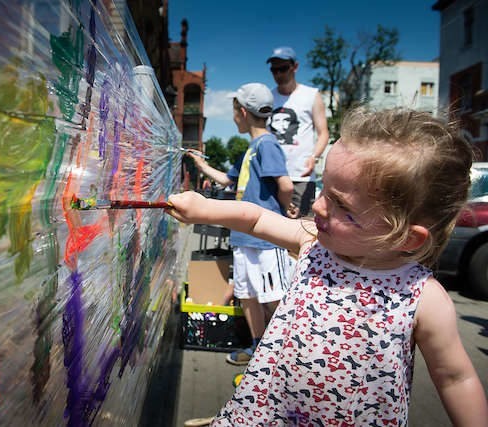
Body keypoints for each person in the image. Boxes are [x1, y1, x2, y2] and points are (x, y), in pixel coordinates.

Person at [171, 107, 488, 426]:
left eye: (342, 205)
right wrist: (204, 208)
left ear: (405, 237)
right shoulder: (314, 243)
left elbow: (456, 379)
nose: (318, 205)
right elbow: (256, 218)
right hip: (264, 414)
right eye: (324, 190)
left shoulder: (423, 298)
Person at [186, 82, 294, 366]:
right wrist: (200, 165)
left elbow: (285, 184)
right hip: (244, 237)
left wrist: (283, 210)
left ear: (243, 113)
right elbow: (228, 179)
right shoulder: (251, 149)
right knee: (248, 295)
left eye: (234, 113)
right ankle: (259, 347)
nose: (233, 118)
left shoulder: (267, 145)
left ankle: (287, 354)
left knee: (275, 298)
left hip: (266, 238)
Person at [266, 46, 329, 218]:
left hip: (300, 174)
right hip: (273, 174)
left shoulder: (311, 95)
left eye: (283, 68)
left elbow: (323, 133)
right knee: (272, 227)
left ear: (295, 67)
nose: (278, 74)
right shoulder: (268, 97)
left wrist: (314, 157)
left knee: (299, 227)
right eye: (274, 69)